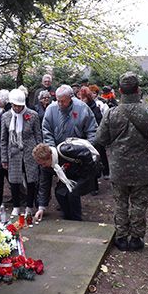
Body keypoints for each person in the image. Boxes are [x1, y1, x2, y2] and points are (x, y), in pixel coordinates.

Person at [95, 72, 148, 251]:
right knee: (139, 203)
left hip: (118, 167)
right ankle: (136, 238)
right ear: (138, 90)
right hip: (141, 169)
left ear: (120, 91)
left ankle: (121, 238)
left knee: (120, 203)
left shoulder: (111, 113)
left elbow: (100, 140)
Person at [38, 84, 98, 221]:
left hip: (76, 154)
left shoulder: (82, 108)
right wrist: (52, 152)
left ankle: (76, 217)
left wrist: (89, 149)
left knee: (73, 189)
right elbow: (46, 131)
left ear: (71, 98)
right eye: (58, 100)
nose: (60, 104)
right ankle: (66, 211)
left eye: (63, 101)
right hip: (57, 154)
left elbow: (92, 130)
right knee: (60, 189)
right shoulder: (51, 109)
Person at [0, 89, 42, 222]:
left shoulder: (33, 115)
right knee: (14, 180)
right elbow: (3, 139)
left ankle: (29, 206)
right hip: (13, 152)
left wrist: (40, 154)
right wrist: (4, 158)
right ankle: (16, 206)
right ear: (11, 104)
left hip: (30, 152)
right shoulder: (6, 116)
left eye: (20, 106)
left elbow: (38, 135)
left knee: (31, 180)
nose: (18, 108)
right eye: (15, 106)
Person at [32, 139, 99, 221]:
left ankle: (76, 219)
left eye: (44, 163)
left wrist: (84, 175)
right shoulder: (45, 167)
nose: (43, 166)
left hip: (83, 172)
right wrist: (41, 208)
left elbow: (86, 153)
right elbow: (44, 185)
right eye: (41, 164)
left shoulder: (65, 151)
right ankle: (67, 217)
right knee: (59, 192)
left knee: (73, 192)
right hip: (68, 176)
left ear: (50, 157)